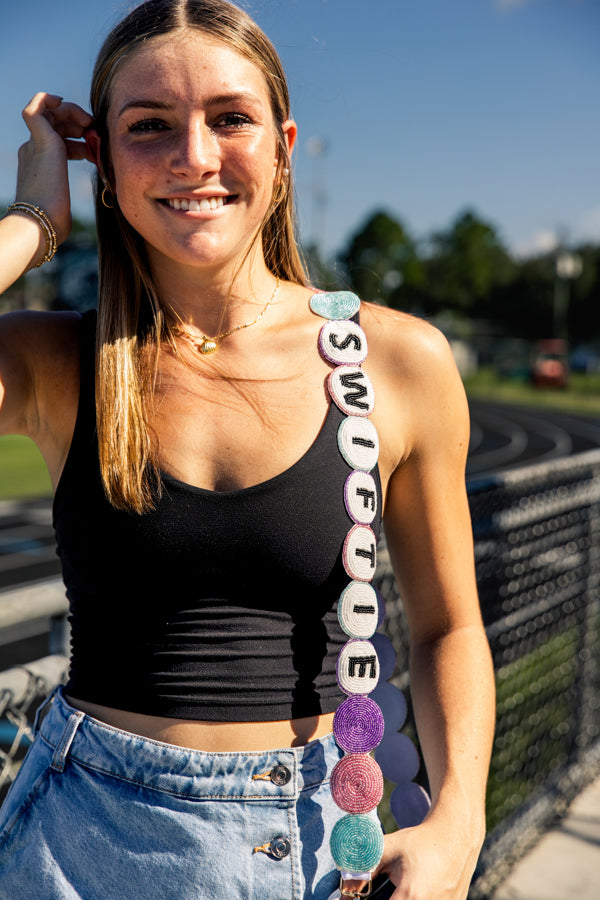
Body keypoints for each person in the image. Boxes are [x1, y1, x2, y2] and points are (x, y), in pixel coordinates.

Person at [0, 1, 495, 897]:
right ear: (102, 161)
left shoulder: (398, 361)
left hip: (319, 845)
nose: (194, 156)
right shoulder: (57, 364)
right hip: (76, 846)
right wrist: (33, 217)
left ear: (283, 147)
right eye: (149, 126)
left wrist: (460, 819)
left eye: (230, 118)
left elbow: (448, 625)